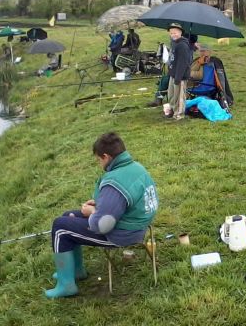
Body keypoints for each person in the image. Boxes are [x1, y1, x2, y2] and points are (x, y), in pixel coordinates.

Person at [45, 132, 158, 298]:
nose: (99, 163)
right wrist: (101, 204)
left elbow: (102, 226)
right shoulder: (136, 167)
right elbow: (125, 201)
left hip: (122, 234)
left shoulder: (115, 181)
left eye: (99, 159)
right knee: (68, 216)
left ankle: (66, 285)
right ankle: (76, 271)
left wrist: (92, 212)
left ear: (106, 156)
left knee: (60, 226)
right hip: (139, 225)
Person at [166, 22, 192, 120]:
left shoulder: (182, 46)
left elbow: (183, 63)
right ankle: (173, 110)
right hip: (173, 74)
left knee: (179, 96)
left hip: (180, 76)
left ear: (180, 32)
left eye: (175, 32)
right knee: (171, 95)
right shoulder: (174, 43)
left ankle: (179, 114)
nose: (173, 35)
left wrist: (178, 77)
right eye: (171, 33)